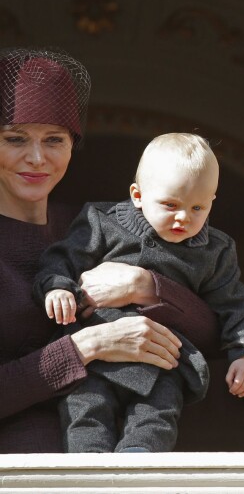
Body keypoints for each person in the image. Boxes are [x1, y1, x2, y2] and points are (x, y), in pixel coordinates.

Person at [0, 47, 220, 454]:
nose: (36, 157)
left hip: (114, 470)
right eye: (15, 138)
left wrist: (147, 286)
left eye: (54, 140)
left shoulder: (98, 226)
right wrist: (88, 347)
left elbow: (211, 331)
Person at [34, 132, 244, 453]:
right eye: (170, 205)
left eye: (198, 207)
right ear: (138, 195)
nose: (184, 217)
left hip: (163, 358)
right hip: (95, 357)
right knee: (85, 409)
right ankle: (87, 467)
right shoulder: (101, 222)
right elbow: (63, 259)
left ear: (213, 201)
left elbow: (234, 302)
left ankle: (138, 462)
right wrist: (57, 287)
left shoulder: (215, 249)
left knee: (157, 415)